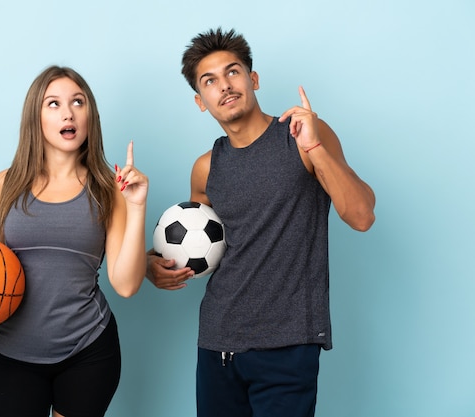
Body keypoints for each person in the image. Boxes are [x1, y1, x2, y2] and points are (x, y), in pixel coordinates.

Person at [147, 28, 376, 417]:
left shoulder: (303, 136)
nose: (225, 86)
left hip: (288, 344)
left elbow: (361, 216)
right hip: (217, 342)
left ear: (253, 79)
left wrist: (315, 148)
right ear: (201, 101)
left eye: (232, 72)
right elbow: (195, 243)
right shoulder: (206, 168)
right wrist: (152, 264)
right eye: (210, 81)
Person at [0, 65, 149, 417]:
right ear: (35, 117)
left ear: (90, 114)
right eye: (54, 104)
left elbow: (125, 285)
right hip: (14, 354)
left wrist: (136, 206)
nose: (68, 112)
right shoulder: (5, 184)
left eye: (78, 102)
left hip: (88, 349)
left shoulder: (109, 188)